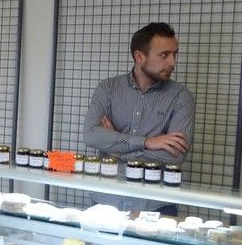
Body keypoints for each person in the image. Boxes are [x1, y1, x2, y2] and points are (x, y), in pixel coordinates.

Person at [84, 22, 196, 167]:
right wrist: (147, 142)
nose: (172, 63)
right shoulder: (108, 88)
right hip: (107, 180)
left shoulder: (181, 97)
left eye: (175, 54)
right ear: (139, 56)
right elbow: (91, 135)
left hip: (151, 182)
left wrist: (116, 152)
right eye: (164, 55)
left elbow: (174, 156)